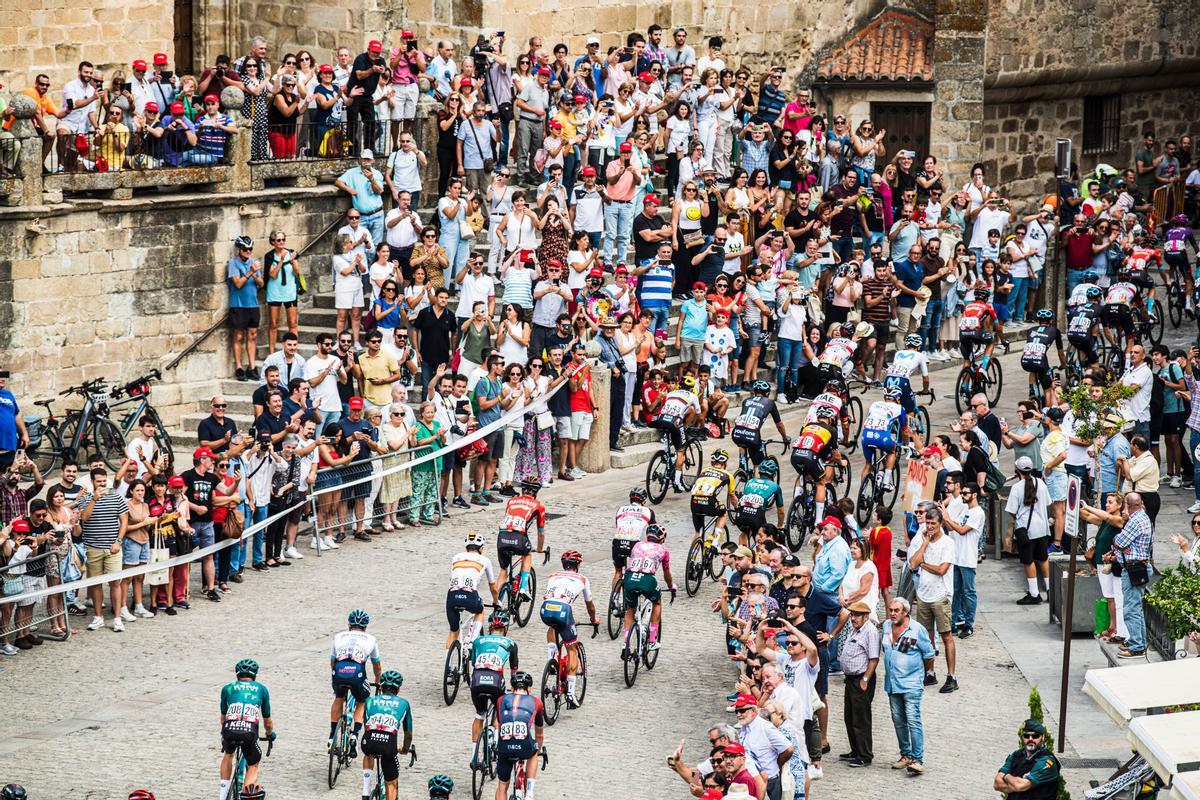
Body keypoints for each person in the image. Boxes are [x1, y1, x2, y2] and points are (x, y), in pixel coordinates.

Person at [881, 598, 935, 775]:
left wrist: (925, 674)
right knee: (898, 721)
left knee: (913, 720)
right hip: (892, 683)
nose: (893, 613)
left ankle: (917, 759)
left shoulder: (917, 630)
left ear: (905, 612)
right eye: (891, 610)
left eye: (897, 610)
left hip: (911, 683)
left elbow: (929, 654)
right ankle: (905, 755)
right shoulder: (887, 626)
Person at [540, 549, 600, 707]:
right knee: (572, 649)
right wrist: (594, 620)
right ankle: (571, 693)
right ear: (578, 564)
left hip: (546, 608)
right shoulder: (583, 579)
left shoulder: (553, 576)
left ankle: (551, 658)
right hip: (563, 610)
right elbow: (590, 606)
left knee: (552, 626)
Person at [327, 609, 383, 756]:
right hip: (357, 672)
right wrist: (378, 681)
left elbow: (332, 662)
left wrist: (337, 678)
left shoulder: (338, 636)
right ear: (366, 626)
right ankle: (354, 735)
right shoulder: (371, 639)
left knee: (338, 697)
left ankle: (332, 737)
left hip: (339, 670)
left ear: (349, 625)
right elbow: (376, 665)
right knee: (362, 701)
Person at [219, 659, 275, 800]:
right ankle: (248, 795)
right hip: (249, 731)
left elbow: (223, 718)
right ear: (255, 675)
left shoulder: (227, 688)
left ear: (237, 675)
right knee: (253, 764)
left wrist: (226, 735)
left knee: (228, 754)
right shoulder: (261, 689)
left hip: (229, 728)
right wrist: (270, 734)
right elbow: (267, 721)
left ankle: (222, 796)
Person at [1106, 492, 1153, 659]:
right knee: (1136, 608)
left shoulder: (1136, 520)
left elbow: (1119, 541)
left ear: (1128, 504)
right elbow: (1122, 544)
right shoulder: (1142, 517)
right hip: (1136, 566)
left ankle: (1137, 647)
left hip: (1134, 569)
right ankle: (1138, 642)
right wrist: (1120, 549)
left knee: (1130, 609)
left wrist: (1119, 544)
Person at [360, 669, 413, 800]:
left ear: (381, 687)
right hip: (388, 744)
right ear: (398, 689)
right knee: (391, 783)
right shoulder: (404, 704)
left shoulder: (370, 701)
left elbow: (367, 726)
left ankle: (366, 790)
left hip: (369, 741)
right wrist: (405, 749)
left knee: (368, 752)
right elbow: (408, 734)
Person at [840, 600, 880, 767]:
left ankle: (864, 754)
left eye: (856, 615)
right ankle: (855, 749)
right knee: (849, 716)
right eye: (852, 615)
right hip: (851, 678)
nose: (853, 618)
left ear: (866, 616)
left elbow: (874, 658)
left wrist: (865, 679)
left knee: (861, 718)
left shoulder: (870, 631)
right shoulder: (855, 629)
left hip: (861, 678)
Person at [1008, 456, 1051, 605]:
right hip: (1042, 528)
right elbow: (1047, 504)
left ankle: (1034, 593)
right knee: (1043, 558)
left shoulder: (1016, 488)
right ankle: (1050, 590)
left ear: (1017, 470)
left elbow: (1012, 511)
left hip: (1025, 529)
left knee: (1028, 561)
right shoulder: (1041, 484)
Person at [993, 719, 1061, 799]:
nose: (1030, 739)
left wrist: (1006, 776)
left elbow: (1020, 786)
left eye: (1035, 736)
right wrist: (1016, 784)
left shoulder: (1046, 761)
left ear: (1042, 738)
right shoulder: (1016, 755)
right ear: (1022, 738)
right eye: (1026, 736)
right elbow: (996, 784)